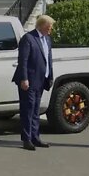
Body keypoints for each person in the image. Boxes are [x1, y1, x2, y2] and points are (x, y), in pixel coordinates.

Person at [12, 15, 55, 151]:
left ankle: (35, 137)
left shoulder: (47, 39)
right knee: (27, 110)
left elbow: (48, 59)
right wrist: (24, 78)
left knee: (36, 110)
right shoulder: (28, 39)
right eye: (49, 26)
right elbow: (23, 60)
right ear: (42, 25)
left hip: (41, 80)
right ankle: (27, 139)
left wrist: (50, 76)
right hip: (29, 80)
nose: (51, 29)